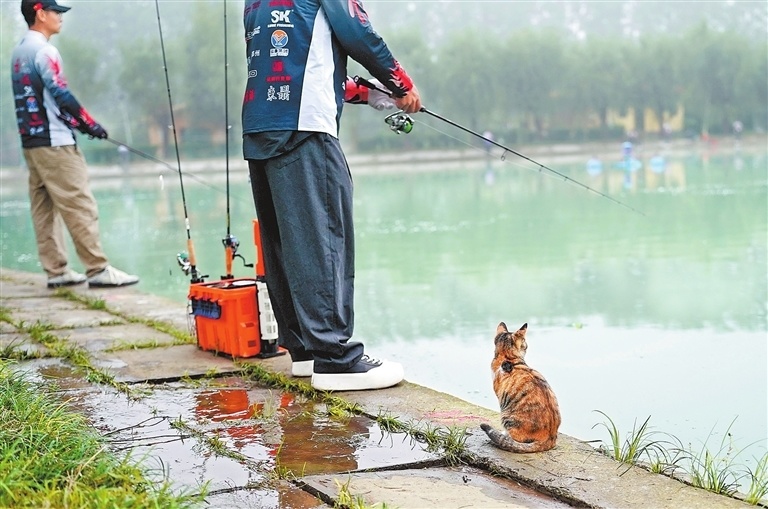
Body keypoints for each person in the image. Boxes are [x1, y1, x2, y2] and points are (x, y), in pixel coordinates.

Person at [242, 0, 421, 391]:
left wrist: (369, 94)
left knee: (286, 241)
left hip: (260, 127)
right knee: (323, 237)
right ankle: (335, 359)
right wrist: (400, 86)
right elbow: (358, 33)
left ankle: (305, 351)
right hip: (305, 128)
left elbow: (294, 61)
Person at [11, 0, 139, 289]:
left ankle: (56, 270)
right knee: (80, 204)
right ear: (40, 13)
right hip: (56, 144)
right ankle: (97, 269)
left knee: (43, 208)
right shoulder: (45, 50)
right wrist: (89, 124)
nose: (60, 18)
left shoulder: (19, 50)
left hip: (32, 144)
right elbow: (61, 95)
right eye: (56, 12)